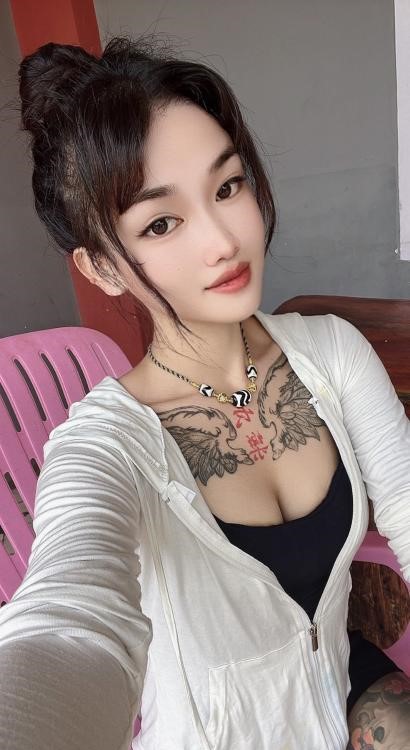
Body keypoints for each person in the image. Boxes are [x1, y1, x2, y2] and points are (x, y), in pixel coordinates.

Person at [0, 35, 409, 750]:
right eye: (161, 223)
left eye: (227, 186)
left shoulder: (333, 353)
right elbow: (67, 625)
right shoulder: (105, 445)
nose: (223, 239)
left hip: (337, 687)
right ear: (102, 268)